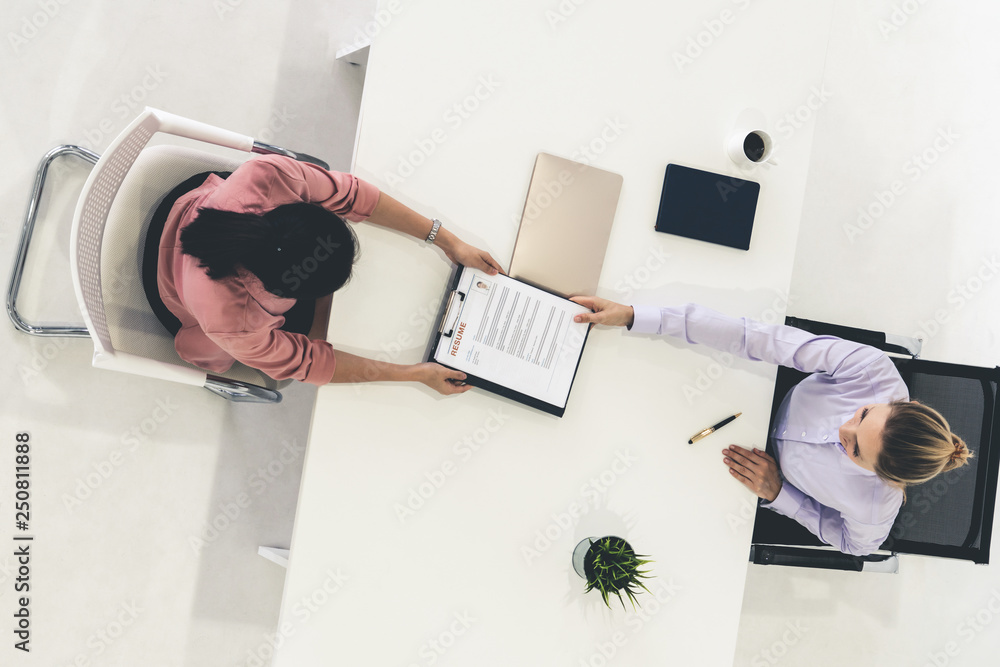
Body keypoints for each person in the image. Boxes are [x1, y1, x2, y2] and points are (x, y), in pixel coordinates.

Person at [569, 296, 973, 556]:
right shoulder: (872, 371)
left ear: (882, 477)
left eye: (853, 450)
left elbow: (856, 546)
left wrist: (780, 494)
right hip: (756, 395)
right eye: (862, 415)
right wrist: (638, 316)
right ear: (902, 404)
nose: (841, 431)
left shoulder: (876, 505)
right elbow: (757, 339)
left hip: (739, 466)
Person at [152, 154, 503, 395]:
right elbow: (309, 363)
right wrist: (412, 374)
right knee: (306, 335)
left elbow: (353, 195)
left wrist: (448, 241)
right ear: (286, 295)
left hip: (193, 208)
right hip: (173, 289)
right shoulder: (234, 322)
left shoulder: (266, 175)